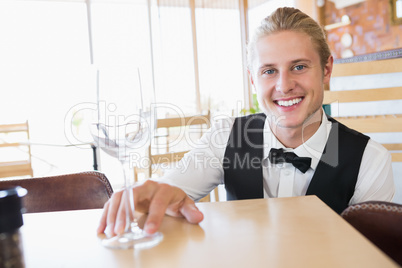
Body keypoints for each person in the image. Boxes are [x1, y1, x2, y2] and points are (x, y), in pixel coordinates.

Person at [97, 7, 395, 237]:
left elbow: (372, 255)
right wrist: (155, 194)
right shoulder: (226, 137)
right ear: (252, 79)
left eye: (299, 66)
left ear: (326, 69)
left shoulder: (370, 160)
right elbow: (168, 194)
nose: (284, 84)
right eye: (268, 71)